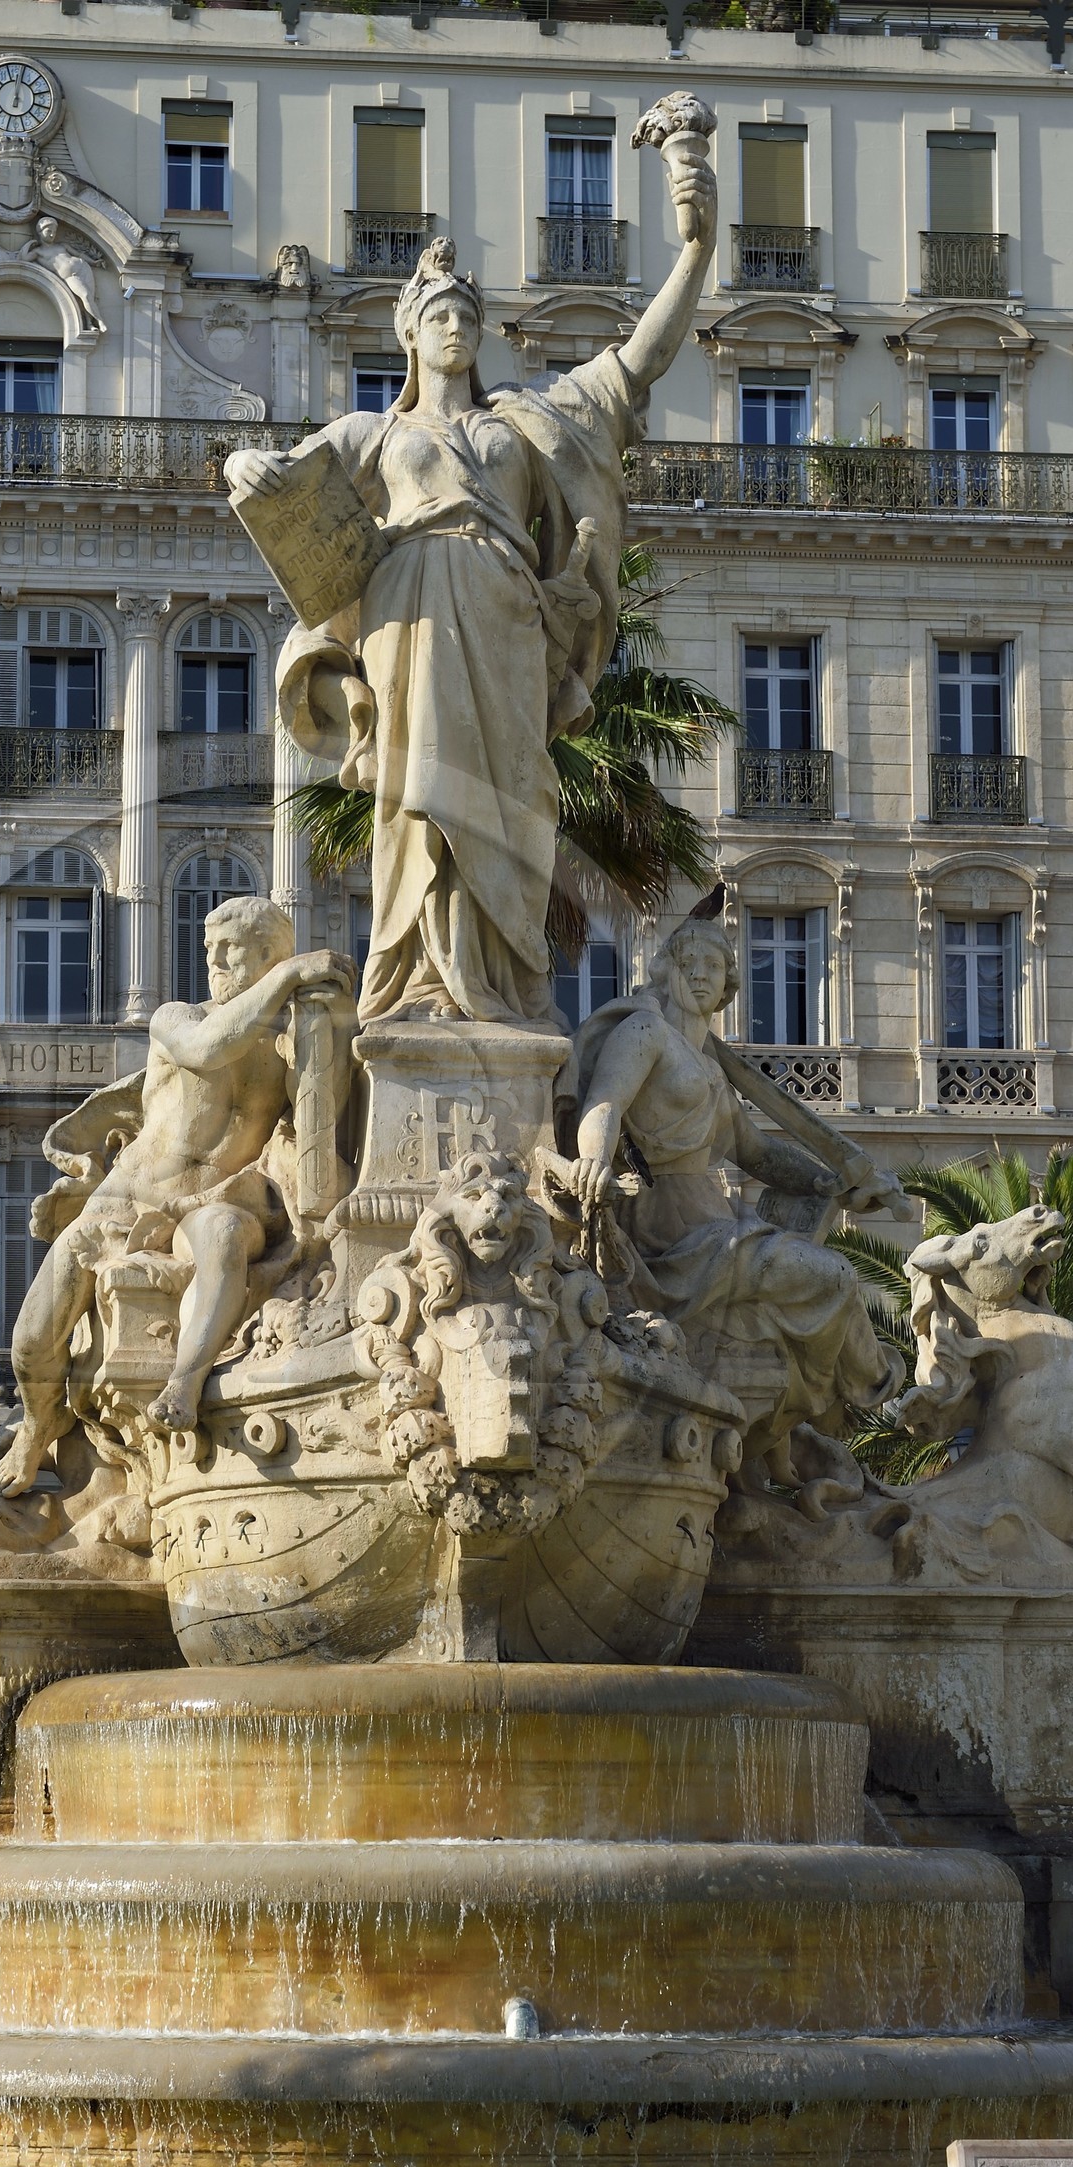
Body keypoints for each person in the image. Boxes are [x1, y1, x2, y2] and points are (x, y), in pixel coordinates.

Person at [222, 140, 717, 1028]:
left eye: (466, 315)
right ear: (409, 335)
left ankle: (504, 988)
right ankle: (418, 984)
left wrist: (696, 247)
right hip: (407, 613)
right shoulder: (373, 433)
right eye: (438, 315)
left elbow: (637, 362)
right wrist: (242, 461)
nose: (455, 327)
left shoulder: (524, 422)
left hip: (506, 621)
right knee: (416, 804)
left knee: (512, 799)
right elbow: (281, 479)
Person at [0, 897, 354, 1494]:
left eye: (229, 947)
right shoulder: (176, 1017)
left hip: (215, 1202)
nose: (213, 959)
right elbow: (208, 1047)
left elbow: (321, 1115)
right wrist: (291, 976)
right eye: (209, 947)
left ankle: (184, 1382)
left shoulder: (291, 1042)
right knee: (32, 1340)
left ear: (269, 951)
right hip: (123, 1205)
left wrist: (331, 1027)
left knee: (224, 1238)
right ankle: (37, 1425)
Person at [565, 915, 902, 1474]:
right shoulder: (646, 1032)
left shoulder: (711, 1067)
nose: (700, 974)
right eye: (688, 962)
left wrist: (835, 1185)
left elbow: (757, 1152)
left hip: (712, 1220)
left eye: (713, 965)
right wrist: (594, 1161)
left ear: (729, 983)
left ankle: (838, 1398)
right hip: (666, 1225)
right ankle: (878, 1391)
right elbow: (604, 1102)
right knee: (835, 1276)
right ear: (665, 971)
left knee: (827, 1279)